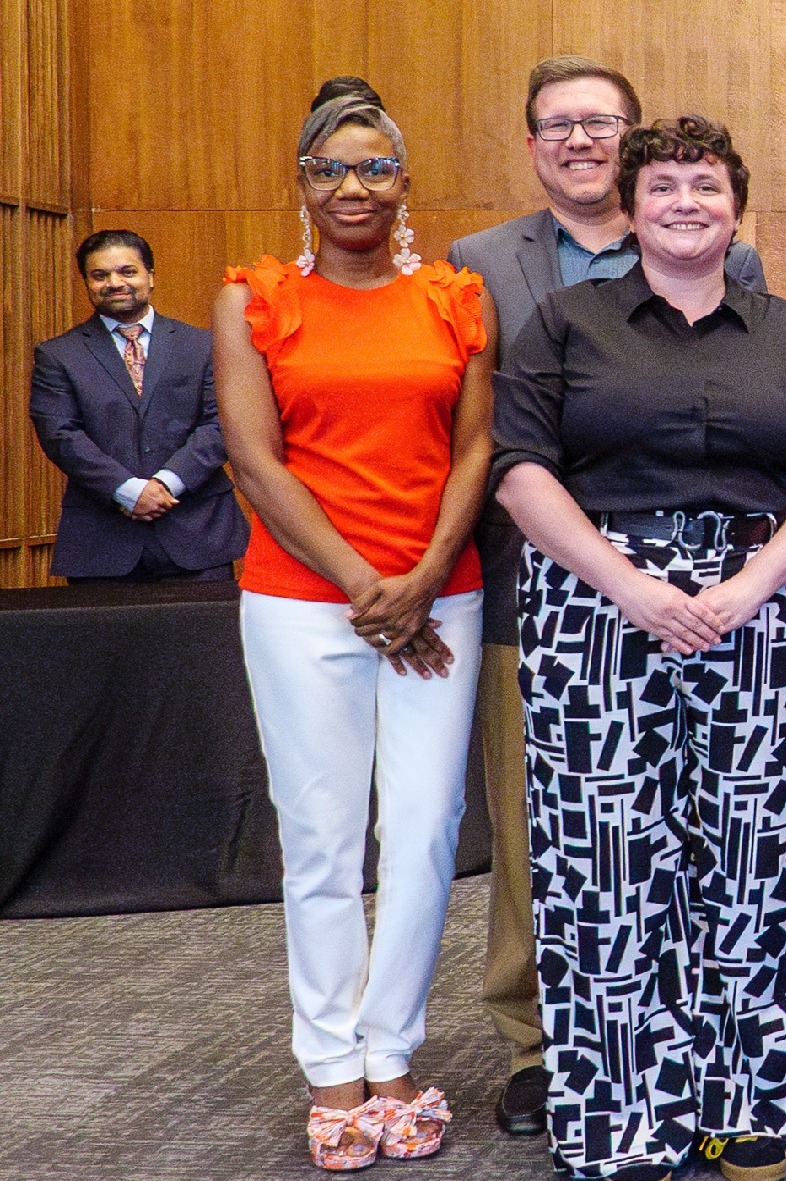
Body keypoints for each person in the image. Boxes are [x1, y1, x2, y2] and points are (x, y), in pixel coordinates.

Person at [492, 114, 786, 1181]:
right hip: (597, 612)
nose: (685, 202)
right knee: (606, 866)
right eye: (664, 186)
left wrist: (749, 585)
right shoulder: (565, 323)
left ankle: (744, 1100)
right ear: (633, 204)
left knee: (752, 858)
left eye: (706, 185)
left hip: (761, 609)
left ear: (737, 207)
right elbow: (520, 468)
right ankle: (623, 1120)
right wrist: (634, 588)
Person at [446, 53, 769, 1139]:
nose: (579, 139)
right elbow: (475, 438)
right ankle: (540, 1038)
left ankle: (677, 1029)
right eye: (557, 125)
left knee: (689, 829)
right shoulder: (479, 262)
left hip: (711, 599)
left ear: (631, 143)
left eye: (599, 123)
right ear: (533, 144)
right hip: (542, 594)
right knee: (551, 826)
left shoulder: (731, 256)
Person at [214, 95, 491, 1171]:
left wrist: (419, 579)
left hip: (439, 595)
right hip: (300, 600)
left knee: (423, 831)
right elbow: (253, 457)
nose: (354, 189)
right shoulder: (257, 298)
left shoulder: (456, 299)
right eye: (330, 170)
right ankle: (332, 1064)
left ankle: (394, 1055)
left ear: (405, 182)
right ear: (302, 184)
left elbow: (475, 452)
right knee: (322, 839)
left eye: (375, 169)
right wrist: (364, 586)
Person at [30, 230, 247, 582]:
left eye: (127, 272)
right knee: (106, 640)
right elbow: (60, 435)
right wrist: (128, 491)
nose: (115, 283)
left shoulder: (203, 345)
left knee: (200, 638)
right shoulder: (58, 355)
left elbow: (222, 423)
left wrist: (165, 485)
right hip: (102, 539)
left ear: (151, 276)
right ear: (86, 282)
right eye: (100, 276)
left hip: (197, 532)